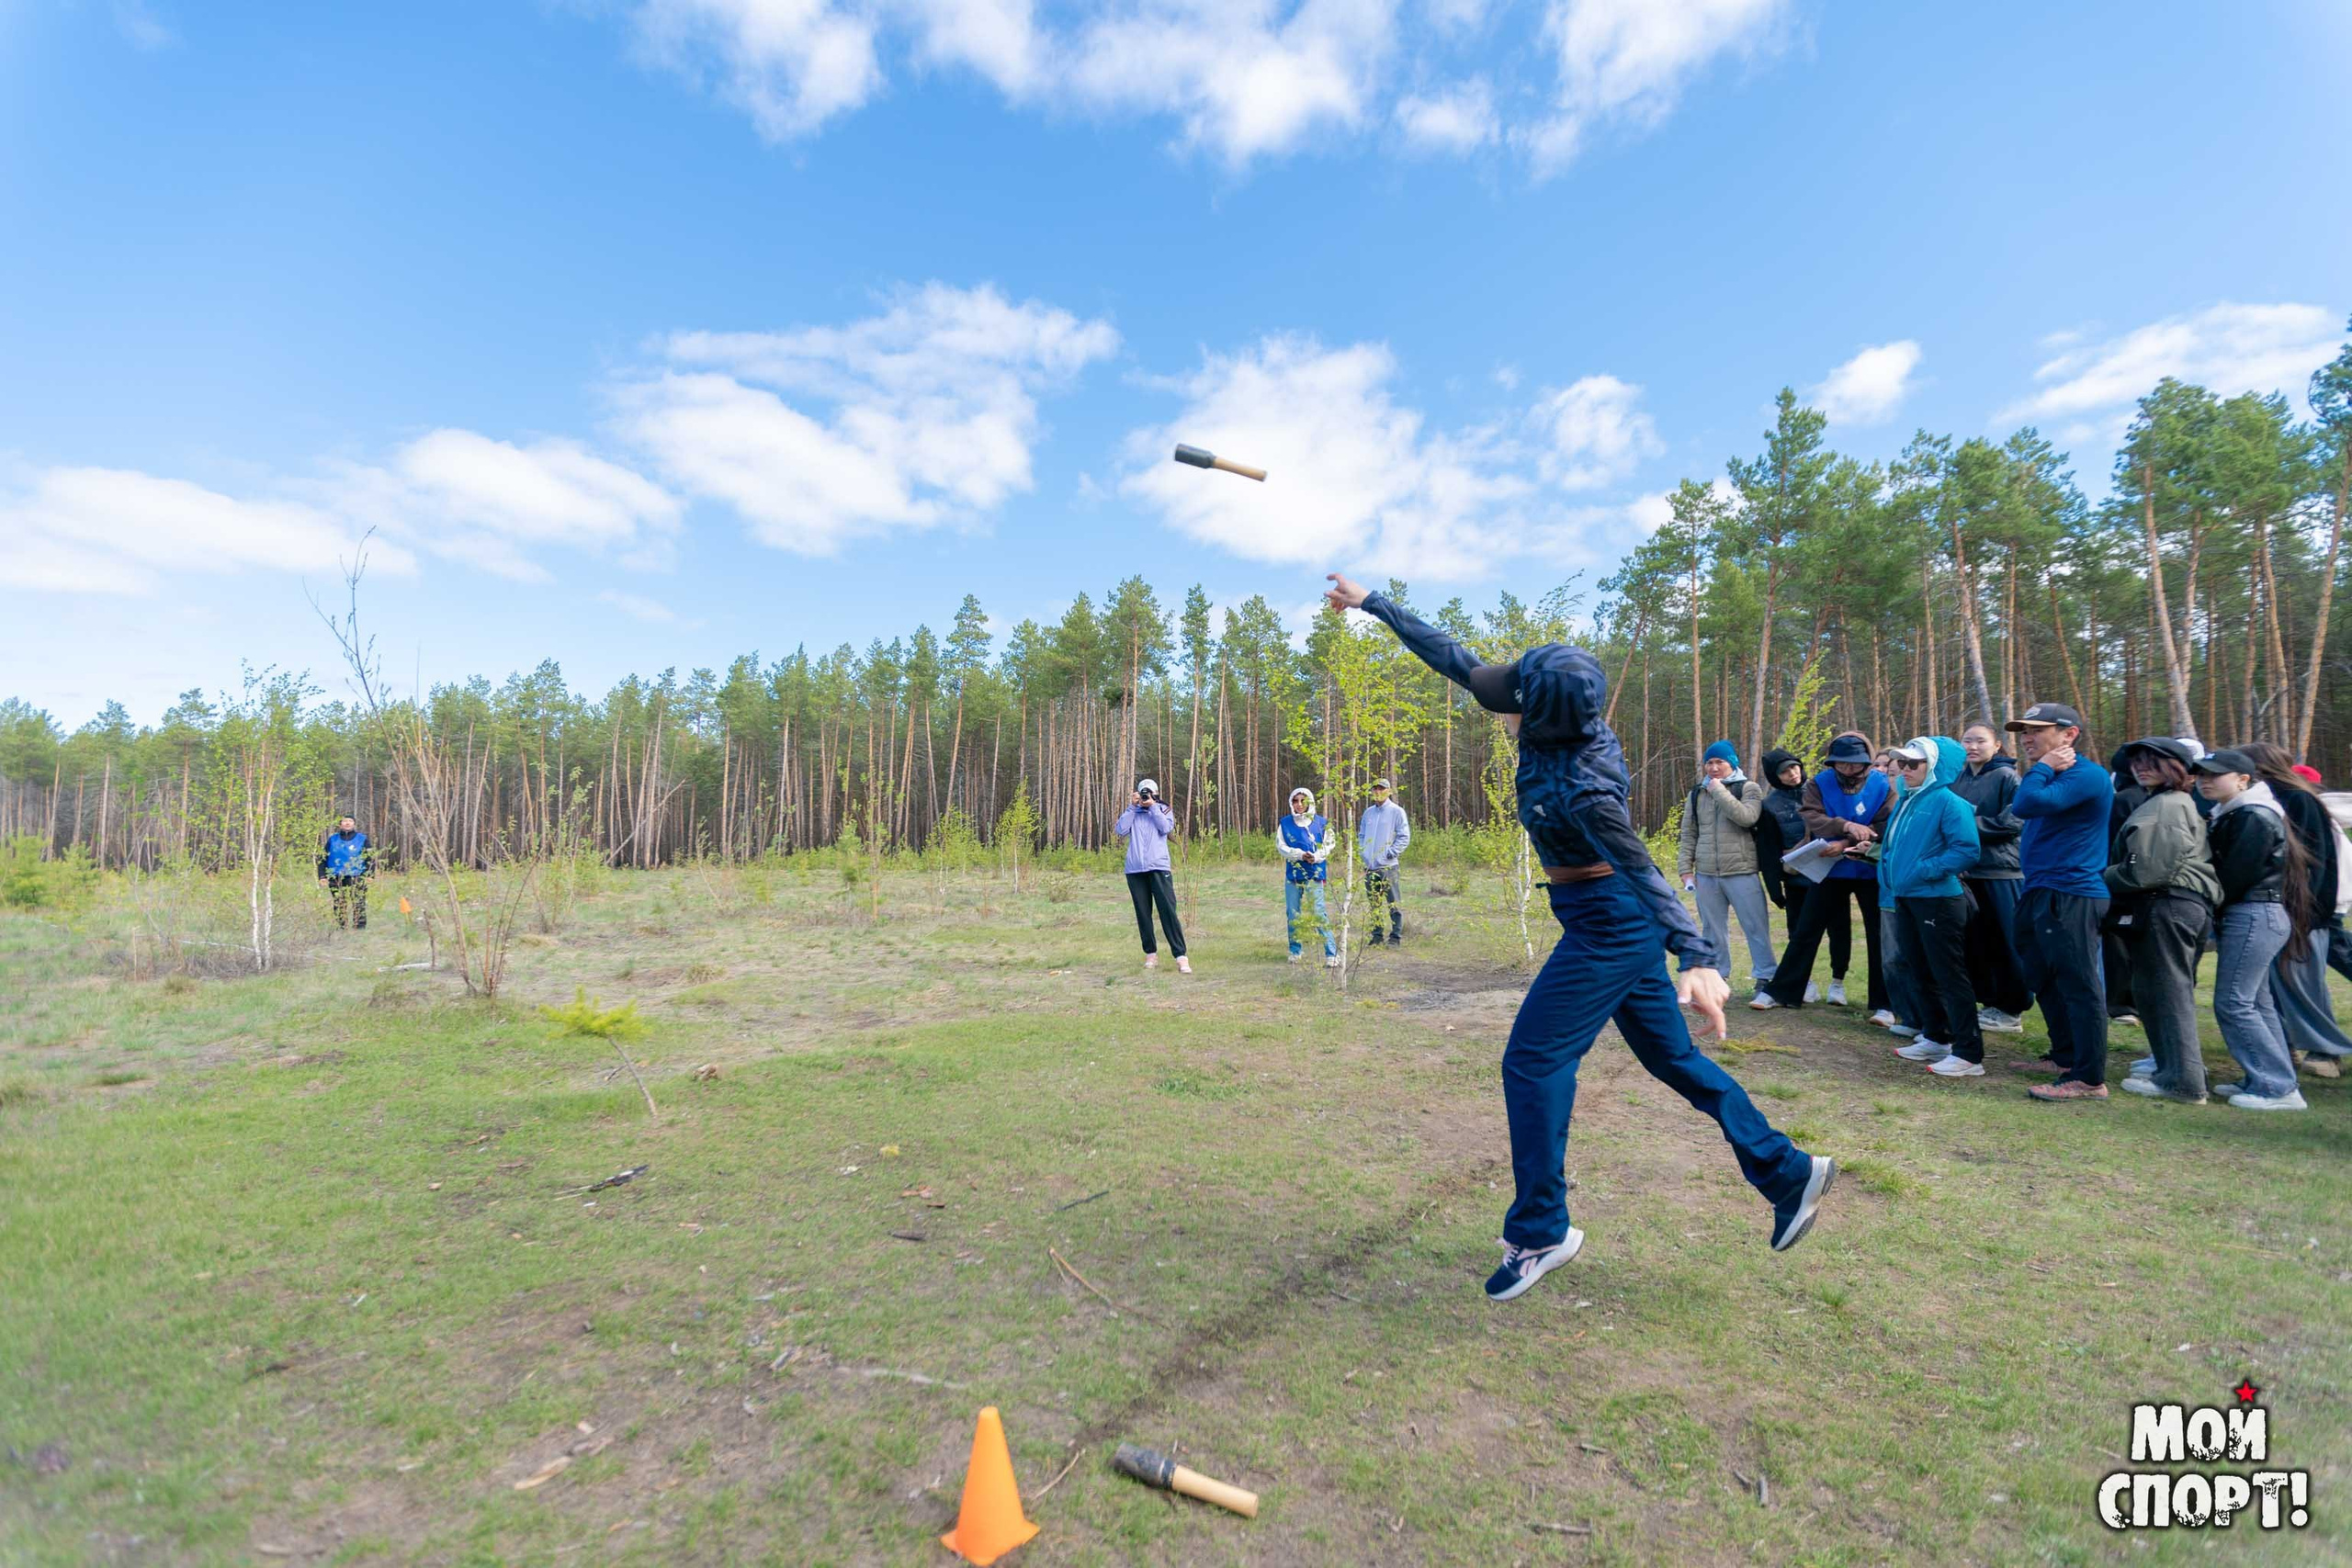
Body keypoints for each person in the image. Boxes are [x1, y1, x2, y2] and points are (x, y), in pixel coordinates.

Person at [1327, 570, 1833, 1302]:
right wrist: (1373, 604)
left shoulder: (1584, 788)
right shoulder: (1567, 722)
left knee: (1531, 1062)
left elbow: (1639, 866)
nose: (1496, 700)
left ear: (1538, 715)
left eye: (1514, 697)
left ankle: (1542, 1230)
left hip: (1610, 923)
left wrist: (1693, 952)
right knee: (1677, 1062)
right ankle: (1788, 1170)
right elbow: (1457, 660)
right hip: (1601, 919)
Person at [2005, 704, 2115, 1100]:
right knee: (2042, 976)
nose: (2027, 738)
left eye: (2037, 730)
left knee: (2079, 984)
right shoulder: (2051, 776)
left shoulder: (2088, 775)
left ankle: (2089, 1078)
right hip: (2040, 889)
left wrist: (2043, 767)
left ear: (2069, 735)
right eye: (2024, 732)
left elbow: (2027, 804)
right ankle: (2065, 1056)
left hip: (2073, 893)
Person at [2194, 750, 2310, 1111]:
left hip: (2253, 913)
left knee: (2234, 1002)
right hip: (2255, 913)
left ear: (2244, 779)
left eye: (2216, 774)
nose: (2204, 780)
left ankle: (2276, 1087)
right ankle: (2266, 1076)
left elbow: (2236, 875)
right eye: (2200, 775)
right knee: (2256, 1003)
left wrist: (2206, 902)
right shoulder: (2238, 812)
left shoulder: (2253, 816)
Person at [2105, 739, 2218, 1104]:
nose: (2141, 768)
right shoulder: (2165, 803)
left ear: (2179, 768)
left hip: (2167, 905)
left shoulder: (2167, 806)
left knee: (2167, 992)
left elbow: (2148, 870)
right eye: (2137, 762)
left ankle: (2183, 1082)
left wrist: (2100, 875)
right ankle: (2174, 1069)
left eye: (2154, 762)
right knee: (2156, 991)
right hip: (2171, 905)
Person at [1752, 732, 1888, 1013]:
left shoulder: (1883, 784)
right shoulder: (1819, 783)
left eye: (1855, 764)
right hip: (1830, 869)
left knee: (1879, 936)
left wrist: (1846, 843)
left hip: (1870, 868)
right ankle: (1782, 991)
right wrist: (1846, 827)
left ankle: (1884, 1003)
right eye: (1842, 764)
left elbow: (1885, 823)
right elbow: (1812, 815)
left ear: (1867, 762)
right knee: (1806, 931)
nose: (1848, 769)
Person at [2238, 742, 2351, 1080]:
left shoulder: (2297, 800)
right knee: (2272, 984)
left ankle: (2327, 1050)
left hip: (2303, 910)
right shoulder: (2272, 799)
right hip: (2280, 907)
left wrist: (2307, 912)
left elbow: (2317, 863)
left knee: (2301, 982)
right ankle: (2282, 1044)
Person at [1878, 738, 1986, 1077]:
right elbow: (1899, 845)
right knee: (1919, 970)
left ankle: (1969, 1053)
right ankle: (1936, 1036)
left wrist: (1922, 870)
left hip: (1938, 900)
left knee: (1949, 975)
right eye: (1903, 763)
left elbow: (1966, 850)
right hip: (1908, 897)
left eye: (1914, 764)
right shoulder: (1909, 800)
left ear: (1935, 767)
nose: (1904, 769)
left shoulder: (1948, 801)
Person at [1677, 741, 1778, 995]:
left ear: (1731, 763)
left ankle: (1765, 977)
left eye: (1719, 762)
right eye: (1709, 763)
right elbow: (1689, 833)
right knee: (1712, 929)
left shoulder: (1749, 788)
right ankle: (1718, 976)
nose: (1713, 767)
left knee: (1755, 927)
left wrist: (1719, 791)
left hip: (1742, 870)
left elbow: (1747, 817)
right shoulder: (1696, 793)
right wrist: (1685, 869)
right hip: (1707, 873)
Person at [1952, 723, 2030, 1032]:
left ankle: (2013, 1008)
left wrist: (1967, 825)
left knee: (2006, 941)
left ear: (1997, 745)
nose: (1972, 746)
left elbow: (2015, 820)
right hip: (1967, 870)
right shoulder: (1958, 778)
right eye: (1967, 740)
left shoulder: (2008, 777)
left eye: (1980, 741)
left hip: (2001, 871)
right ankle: (1991, 1003)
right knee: (1977, 942)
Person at [1753, 748, 1823, 1003]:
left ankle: (1838, 983)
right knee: (1799, 933)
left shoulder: (1819, 791)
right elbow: (1768, 849)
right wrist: (1774, 889)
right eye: (1784, 771)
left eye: (1795, 767)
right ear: (1774, 776)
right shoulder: (1769, 805)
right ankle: (1805, 982)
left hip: (1829, 876)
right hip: (1796, 879)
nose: (1793, 773)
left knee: (1838, 932)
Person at [1114, 781, 1191, 974]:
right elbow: (1121, 830)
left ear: (1156, 794)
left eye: (1149, 793)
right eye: (1143, 793)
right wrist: (1133, 806)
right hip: (1135, 870)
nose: (1146, 796)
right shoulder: (1133, 812)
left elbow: (1165, 828)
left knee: (1168, 911)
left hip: (1159, 867)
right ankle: (1150, 954)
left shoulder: (1163, 809)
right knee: (1143, 913)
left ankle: (1181, 956)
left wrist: (1153, 807)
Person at [1278, 786, 1340, 966]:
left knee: (1319, 912)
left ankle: (1331, 953)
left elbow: (1329, 844)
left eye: (1302, 801)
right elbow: (1281, 846)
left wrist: (1316, 856)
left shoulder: (1321, 823)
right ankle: (1295, 950)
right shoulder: (1285, 823)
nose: (1299, 804)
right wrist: (1298, 854)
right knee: (1293, 913)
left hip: (1315, 872)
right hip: (1294, 873)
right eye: (1295, 801)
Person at [1357, 778, 1411, 946]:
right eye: (1375, 789)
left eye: (1382, 789)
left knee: (1393, 903)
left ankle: (1395, 938)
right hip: (1370, 868)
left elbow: (1404, 837)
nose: (1378, 792)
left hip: (1388, 867)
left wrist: (1390, 853)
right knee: (1374, 904)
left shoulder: (1397, 811)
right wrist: (1363, 853)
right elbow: (1362, 836)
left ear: (1388, 791)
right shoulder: (1368, 813)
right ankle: (1377, 936)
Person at [316, 815, 374, 930]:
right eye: (345, 821)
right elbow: (322, 858)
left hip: (357, 875)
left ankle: (359, 927)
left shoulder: (362, 839)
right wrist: (322, 876)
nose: (347, 823)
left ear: (354, 824)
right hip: (336, 876)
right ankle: (342, 926)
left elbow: (370, 858)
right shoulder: (332, 839)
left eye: (350, 821)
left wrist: (370, 875)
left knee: (359, 902)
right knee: (339, 902)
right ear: (340, 824)